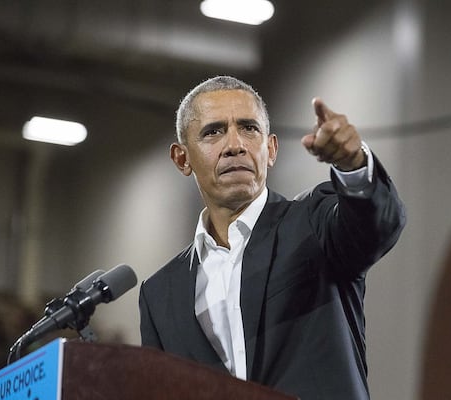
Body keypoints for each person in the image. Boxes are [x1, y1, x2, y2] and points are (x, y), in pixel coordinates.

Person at [139, 76, 406, 400]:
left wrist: (353, 165)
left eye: (249, 128)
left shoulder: (313, 222)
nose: (235, 145)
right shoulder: (159, 294)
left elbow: (375, 226)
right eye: (214, 131)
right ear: (182, 158)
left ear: (271, 149)